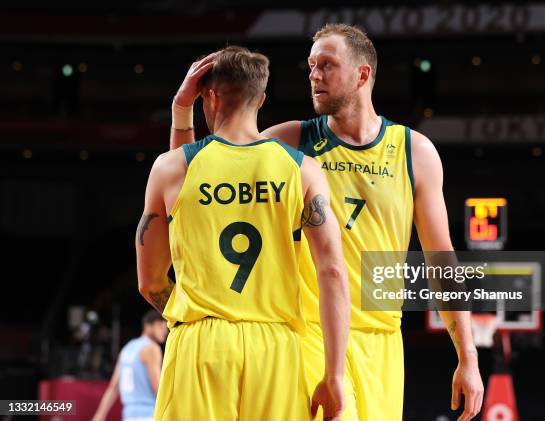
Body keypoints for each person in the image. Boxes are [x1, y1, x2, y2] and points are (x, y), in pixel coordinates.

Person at [169, 24, 484, 421]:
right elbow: (194, 174)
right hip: (311, 336)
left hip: (382, 342)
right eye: (311, 66)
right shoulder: (289, 143)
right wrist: (183, 113)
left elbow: (441, 260)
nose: (314, 75)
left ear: (362, 74)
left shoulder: (414, 151)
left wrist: (467, 357)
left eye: (327, 65)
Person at [136, 46, 350, 421]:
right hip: (277, 346)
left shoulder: (171, 169)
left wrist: (181, 111)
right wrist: (334, 375)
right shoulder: (304, 170)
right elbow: (332, 272)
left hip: (201, 343)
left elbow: (150, 280)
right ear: (261, 98)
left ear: (210, 96)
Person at [92, 310, 168, 421]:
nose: (165, 331)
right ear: (148, 326)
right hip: (149, 414)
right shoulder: (152, 348)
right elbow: (158, 389)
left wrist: (99, 416)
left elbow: (113, 388)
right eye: (161, 326)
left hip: (128, 415)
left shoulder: (127, 348)